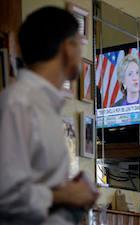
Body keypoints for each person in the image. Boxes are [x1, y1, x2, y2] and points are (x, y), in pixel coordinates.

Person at [0, 7, 99, 225]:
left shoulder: (45, 105)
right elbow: (5, 195)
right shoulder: (19, 103)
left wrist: (70, 192)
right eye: (79, 43)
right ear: (67, 48)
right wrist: (66, 196)